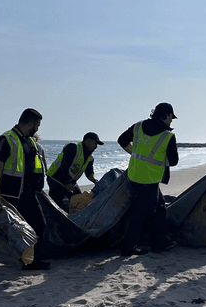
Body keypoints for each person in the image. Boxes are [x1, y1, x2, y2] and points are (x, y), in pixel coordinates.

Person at [0, 108, 51, 272]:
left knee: (38, 226)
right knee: (6, 230)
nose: (37, 129)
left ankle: (30, 261)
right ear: (29, 123)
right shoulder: (7, 139)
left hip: (29, 194)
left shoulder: (30, 141)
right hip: (10, 194)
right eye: (37, 125)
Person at [116, 102, 179, 256]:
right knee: (142, 213)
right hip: (150, 179)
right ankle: (129, 247)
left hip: (134, 175)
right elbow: (174, 161)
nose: (171, 120)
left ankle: (160, 242)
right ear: (165, 115)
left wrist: (135, 154)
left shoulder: (138, 126)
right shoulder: (167, 135)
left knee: (160, 207)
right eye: (171, 117)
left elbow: (121, 140)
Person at [46, 132, 103, 211]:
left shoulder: (90, 158)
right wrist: (67, 183)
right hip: (56, 177)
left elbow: (89, 173)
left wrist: (94, 181)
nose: (96, 147)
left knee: (79, 200)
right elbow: (64, 166)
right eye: (95, 143)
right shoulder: (73, 147)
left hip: (71, 181)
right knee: (58, 203)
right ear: (87, 141)